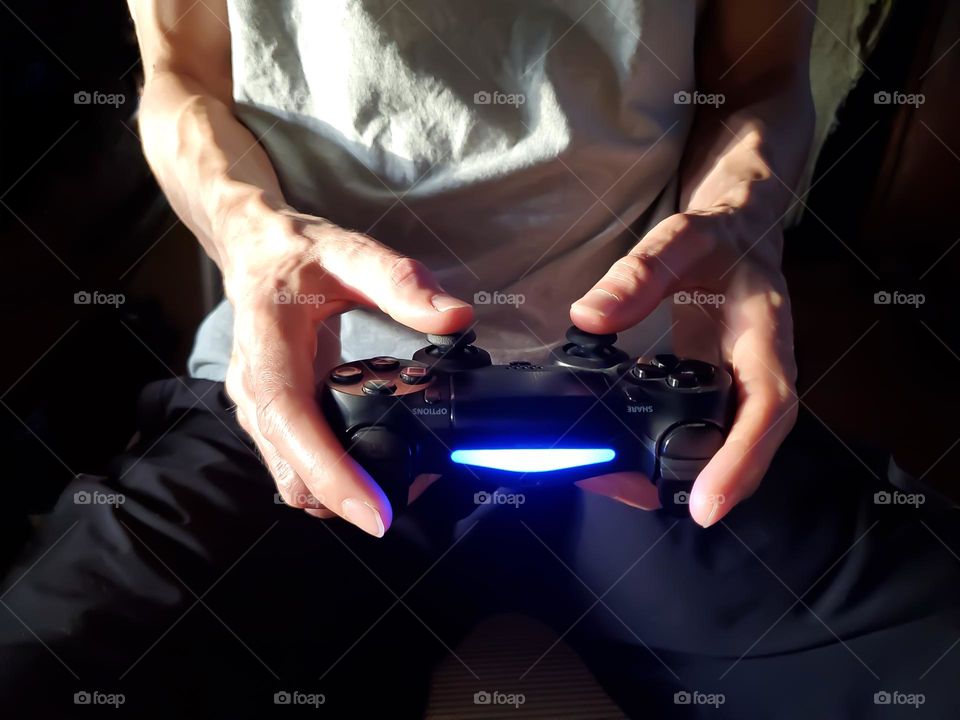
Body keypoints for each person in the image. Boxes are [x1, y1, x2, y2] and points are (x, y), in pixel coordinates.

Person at [1, 1, 958, 717]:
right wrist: (255, 240)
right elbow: (180, 77)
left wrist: (738, 223)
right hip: (317, 389)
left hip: (649, 405)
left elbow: (757, 77)